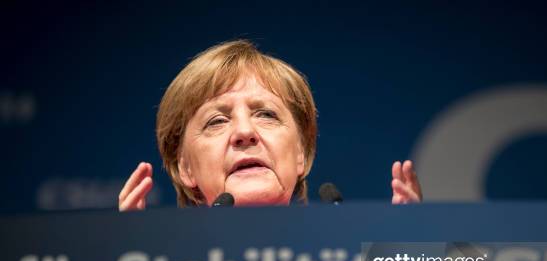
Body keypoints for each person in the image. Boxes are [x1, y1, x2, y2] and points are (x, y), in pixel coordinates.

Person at [118, 40, 422, 210]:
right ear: (186, 168)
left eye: (266, 114)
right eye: (217, 121)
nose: (244, 133)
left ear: (301, 153)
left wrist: (414, 249)